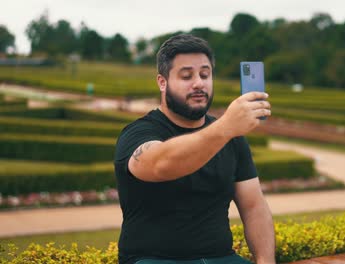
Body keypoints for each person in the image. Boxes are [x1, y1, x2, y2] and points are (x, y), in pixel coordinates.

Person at [114, 34, 275, 264]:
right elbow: (160, 165)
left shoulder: (232, 137)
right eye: (186, 75)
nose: (198, 83)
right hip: (153, 260)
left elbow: (253, 206)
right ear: (162, 82)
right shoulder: (137, 133)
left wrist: (265, 262)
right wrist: (226, 127)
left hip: (222, 259)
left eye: (205, 74)